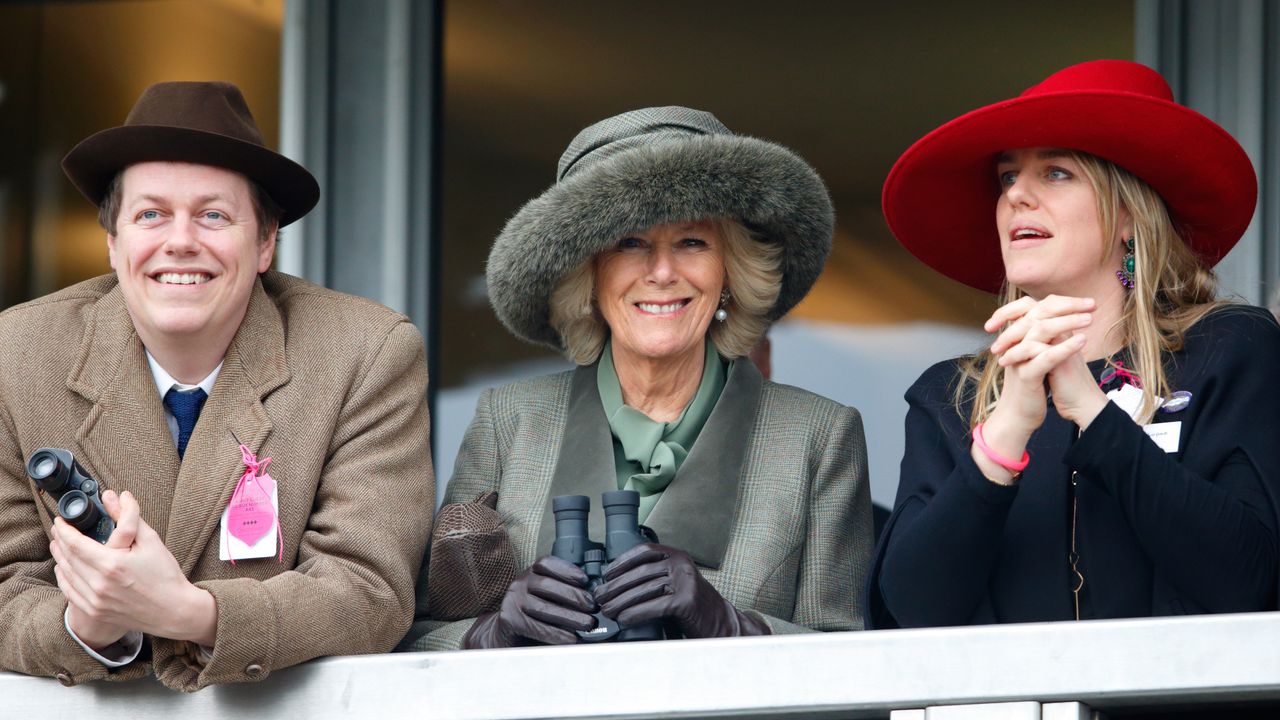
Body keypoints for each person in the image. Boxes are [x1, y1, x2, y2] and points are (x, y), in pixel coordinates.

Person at [0, 82, 433, 690]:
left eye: (213, 215)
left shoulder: (364, 352)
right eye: (150, 214)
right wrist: (87, 624)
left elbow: (368, 591)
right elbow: (4, 587)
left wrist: (184, 612)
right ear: (113, 241)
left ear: (264, 242)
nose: (180, 240)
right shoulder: (14, 356)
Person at [402, 107, 872, 651]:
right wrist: (494, 632)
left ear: (731, 273)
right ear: (588, 274)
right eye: (629, 242)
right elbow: (418, 640)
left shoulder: (820, 434)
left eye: (693, 241)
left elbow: (848, 663)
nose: (663, 273)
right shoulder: (508, 421)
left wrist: (730, 624)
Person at [868, 60, 1280, 628]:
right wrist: (1006, 431)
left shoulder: (1226, 350)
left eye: (1056, 173)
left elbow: (1251, 580)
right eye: (1007, 177)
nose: (1017, 196)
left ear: (1130, 215)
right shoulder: (952, 395)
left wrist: (1092, 412)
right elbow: (908, 614)